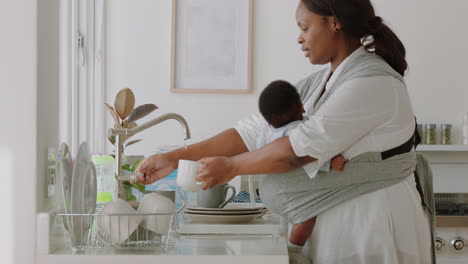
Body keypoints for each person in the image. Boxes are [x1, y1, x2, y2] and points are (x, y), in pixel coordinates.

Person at [136, 0, 432, 262]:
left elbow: (297, 150)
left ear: (334, 22)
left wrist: (232, 167)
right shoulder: (319, 83)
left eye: (305, 27)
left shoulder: (373, 82)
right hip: (334, 227)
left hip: (369, 225)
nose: (299, 38)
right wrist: (175, 158)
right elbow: (251, 132)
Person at [257, 79, 346, 251]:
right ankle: (294, 250)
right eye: (301, 105)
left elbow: (259, 151)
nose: (305, 108)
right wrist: (330, 162)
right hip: (290, 187)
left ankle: (281, 245)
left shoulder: (266, 129)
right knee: (307, 217)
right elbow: (307, 154)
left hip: (270, 189)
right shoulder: (298, 130)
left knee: (284, 218)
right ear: (300, 106)